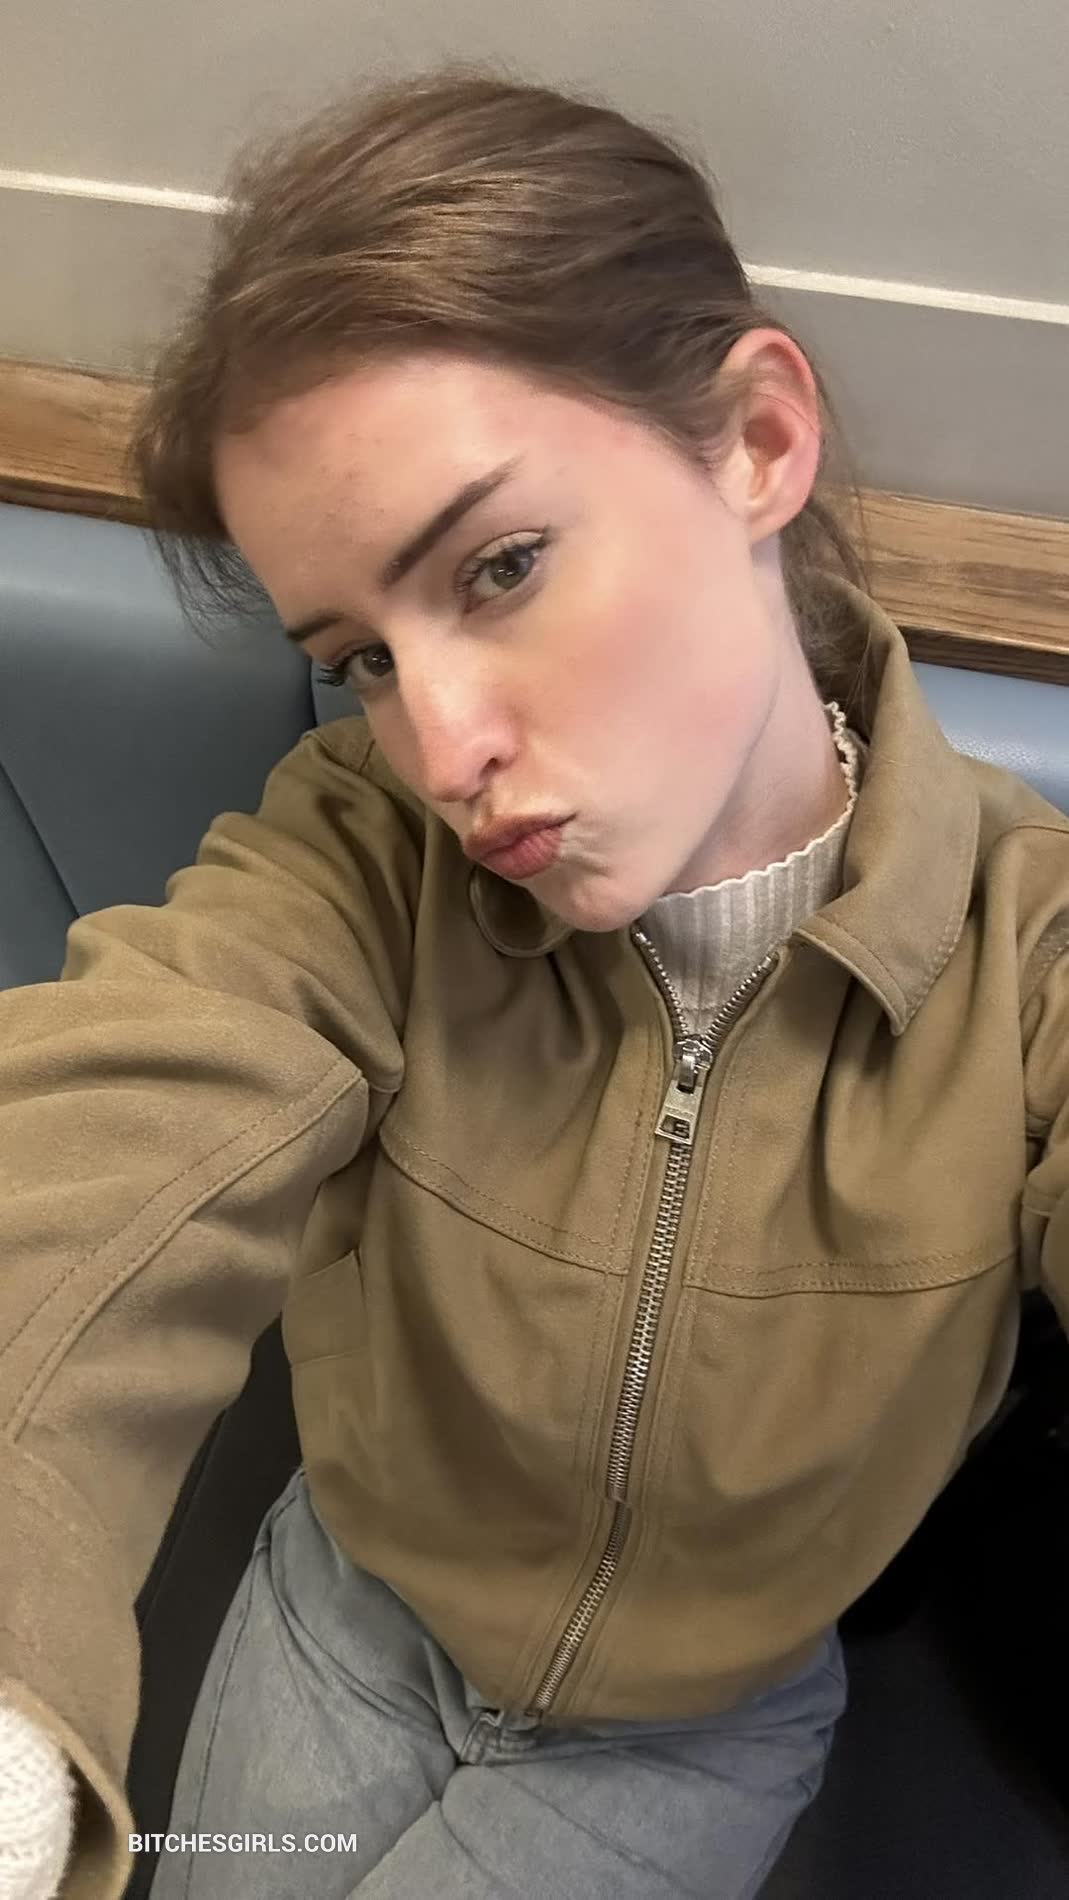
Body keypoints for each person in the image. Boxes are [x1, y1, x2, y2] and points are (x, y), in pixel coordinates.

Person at [2, 59, 1068, 1900]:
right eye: (359, 656)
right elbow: (102, 1145)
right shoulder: (356, 859)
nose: (441, 750)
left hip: (693, 1734)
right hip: (342, 1613)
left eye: (497, 567)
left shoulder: (1025, 944)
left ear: (754, 441)